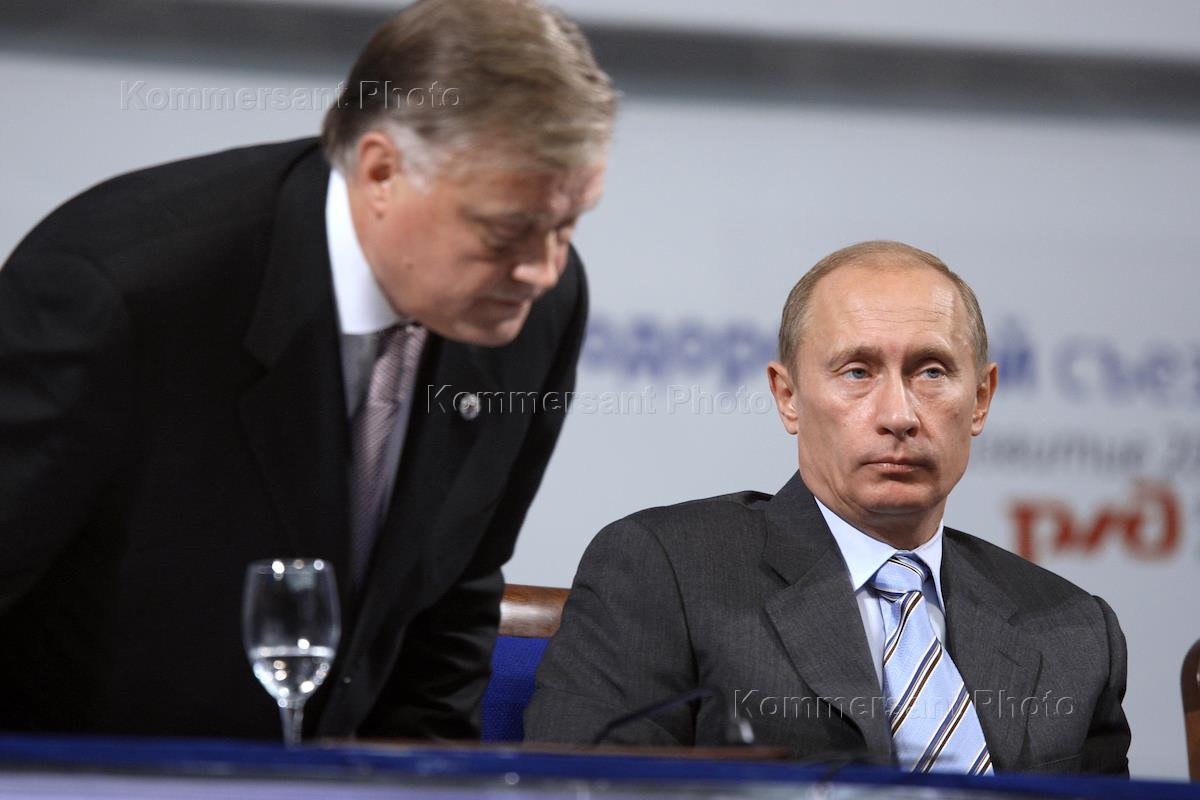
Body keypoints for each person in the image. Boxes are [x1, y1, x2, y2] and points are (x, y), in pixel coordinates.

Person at [0, 0, 613, 740]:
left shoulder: (537, 307)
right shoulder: (118, 290)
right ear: (381, 171)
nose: (542, 268)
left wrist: (418, 785)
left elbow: (452, 599)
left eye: (568, 223)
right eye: (506, 230)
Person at [525, 241, 1131, 774]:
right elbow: (581, 792)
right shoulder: (665, 571)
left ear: (980, 399)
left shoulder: (1077, 634)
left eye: (931, 372)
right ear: (787, 396)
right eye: (858, 371)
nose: (899, 415)